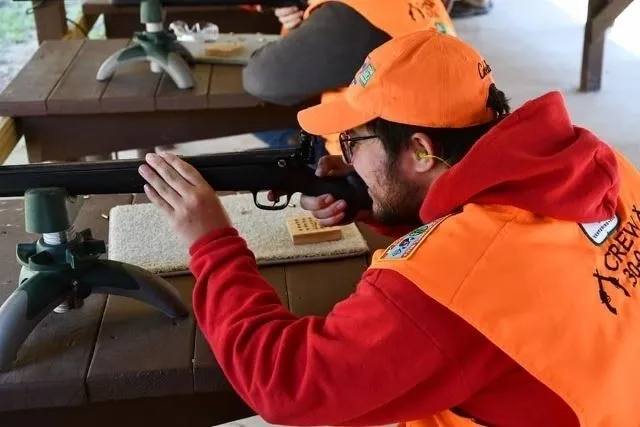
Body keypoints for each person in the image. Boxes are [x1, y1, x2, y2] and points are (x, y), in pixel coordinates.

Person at [137, 29, 640, 426]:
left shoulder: (449, 283)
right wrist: (374, 203)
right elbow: (513, 255)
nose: (344, 155)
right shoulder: (602, 167)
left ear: (421, 150)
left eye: (353, 141)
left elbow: (285, 384)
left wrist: (211, 241)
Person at [245, 0, 455, 153]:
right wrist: (301, 24)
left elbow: (262, 79)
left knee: (253, 122)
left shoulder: (349, 16)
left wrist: (300, 29)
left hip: (368, 161)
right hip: (427, 144)